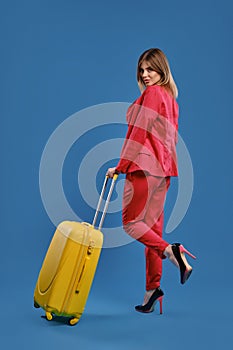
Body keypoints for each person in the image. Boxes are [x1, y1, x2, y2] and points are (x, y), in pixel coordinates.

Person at [107, 48, 196, 314]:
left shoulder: (153, 94)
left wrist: (121, 166)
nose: (145, 75)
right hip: (164, 170)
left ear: (162, 70)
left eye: (150, 69)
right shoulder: (170, 99)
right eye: (142, 70)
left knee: (132, 224)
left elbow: (138, 132)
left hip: (144, 167)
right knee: (151, 231)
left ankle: (173, 251)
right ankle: (152, 290)